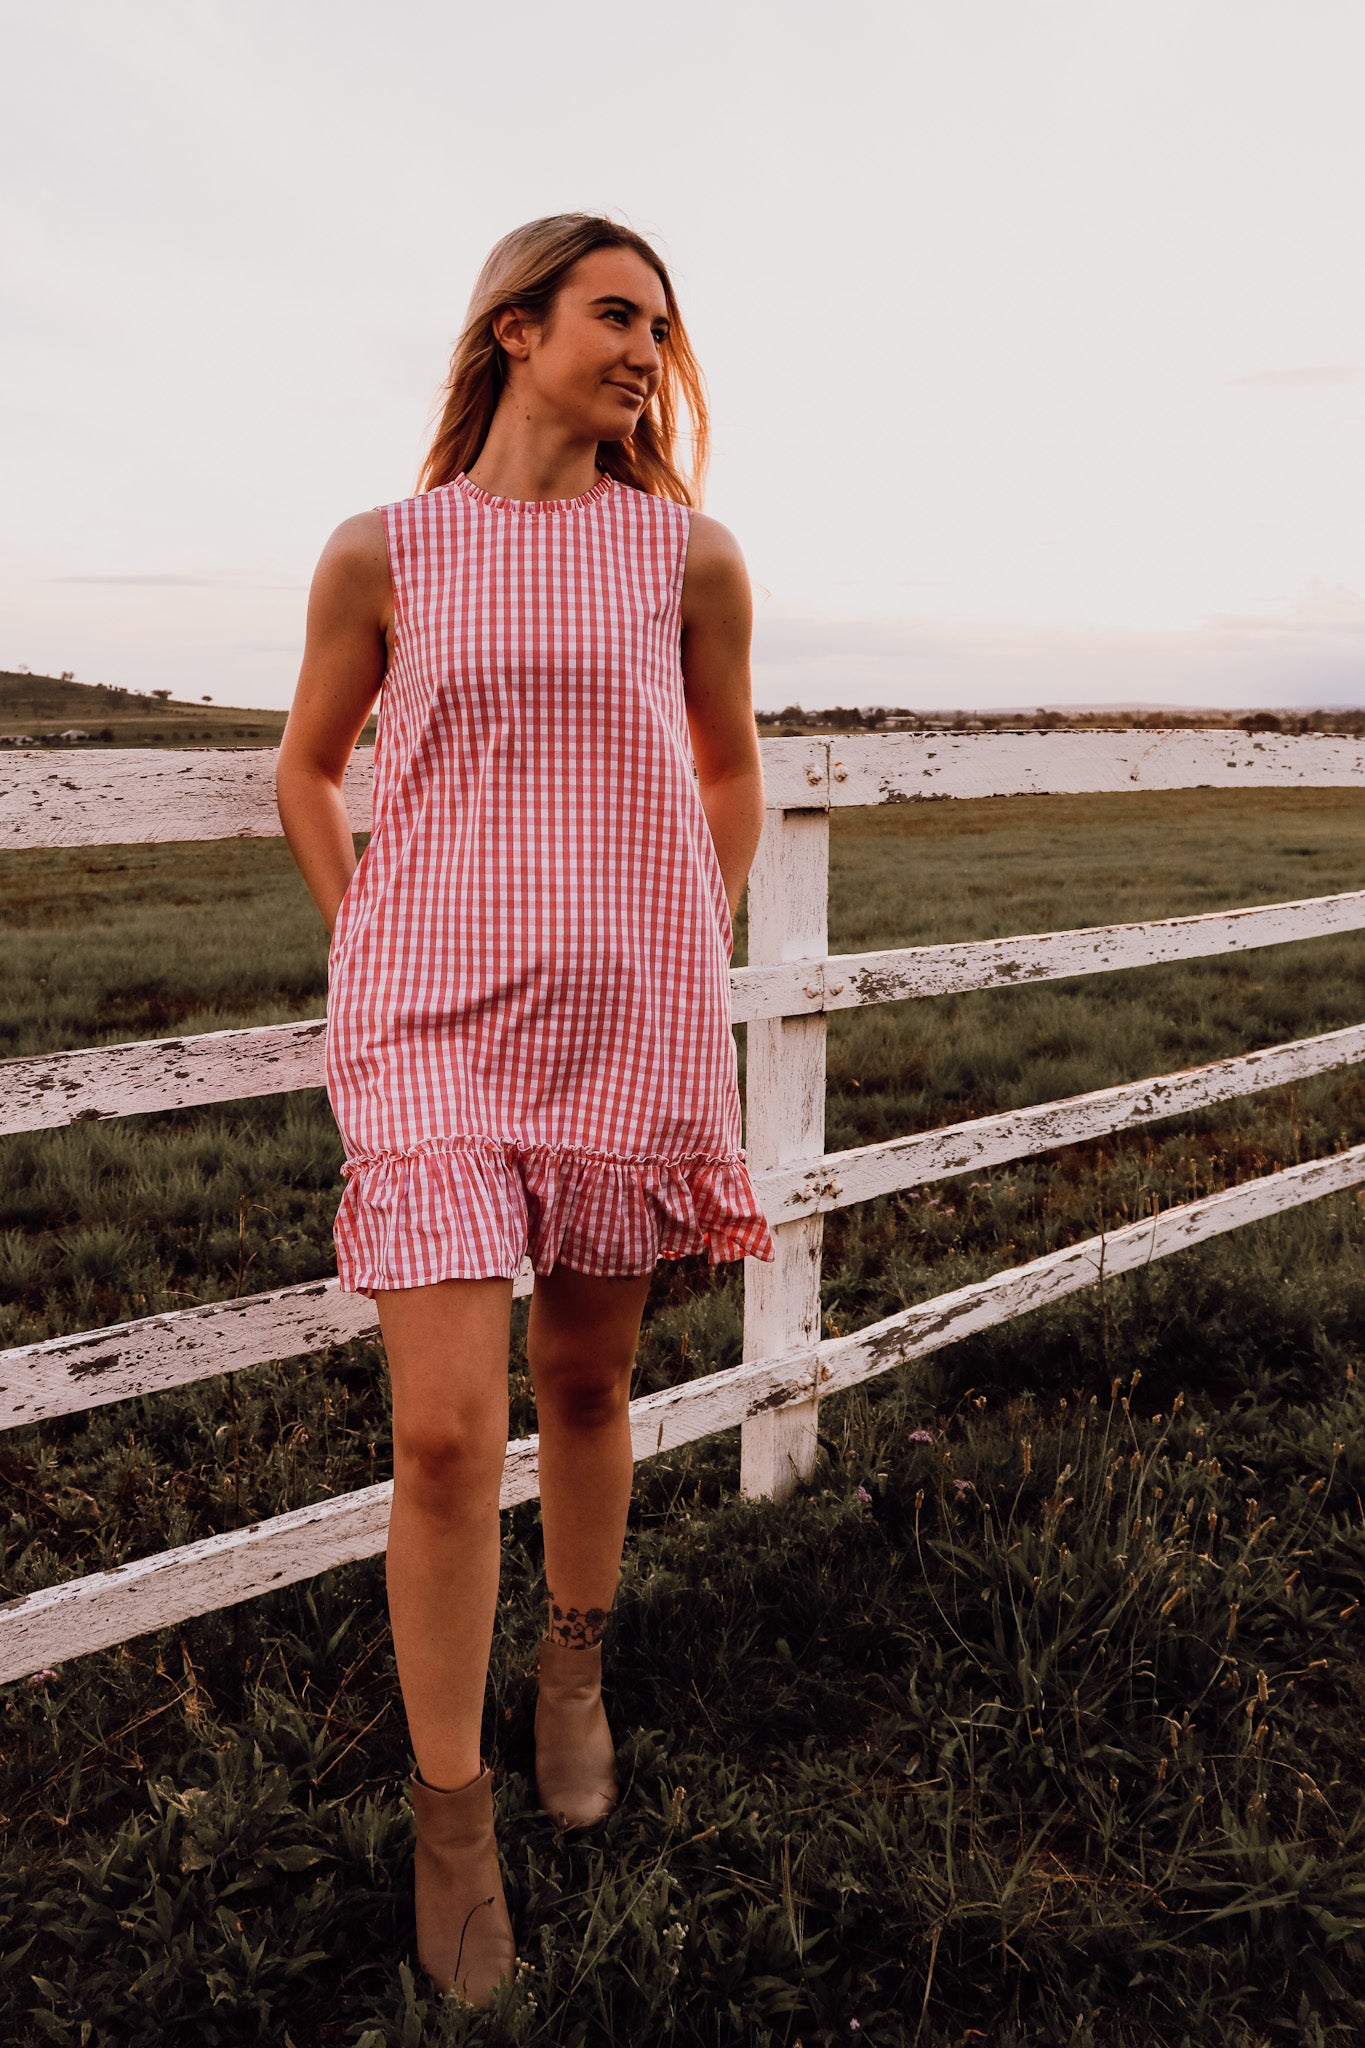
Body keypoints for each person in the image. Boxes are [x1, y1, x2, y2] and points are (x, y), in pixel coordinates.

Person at [275, 213, 776, 2006]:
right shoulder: (383, 552)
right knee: (439, 1437)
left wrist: (670, 936)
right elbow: (309, 767)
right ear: (514, 330)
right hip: (429, 1034)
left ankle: (573, 1670)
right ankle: (452, 1818)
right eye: (615, 314)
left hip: (619, 1031)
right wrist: (372, 943)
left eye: (662, 325)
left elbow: (727, 768)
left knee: (582, 1380)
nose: (648, 349)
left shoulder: (685, 557)